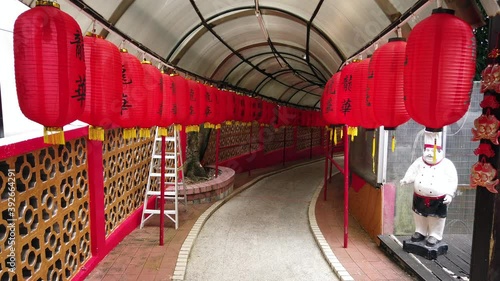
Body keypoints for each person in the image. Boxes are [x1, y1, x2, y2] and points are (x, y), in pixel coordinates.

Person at [400, 130, 458, 246]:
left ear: (440, 151)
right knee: (419, 215)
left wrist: (449, 194)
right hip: (419, 196)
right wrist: (406, 179)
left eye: (433, 150)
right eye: (427, 150)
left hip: (438, 199)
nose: (430, 153)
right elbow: (412, 171)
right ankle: (420, 231)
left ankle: (435, 235)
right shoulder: (419, 162)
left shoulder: (447, 164)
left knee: (436, 218)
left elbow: (452, 180)